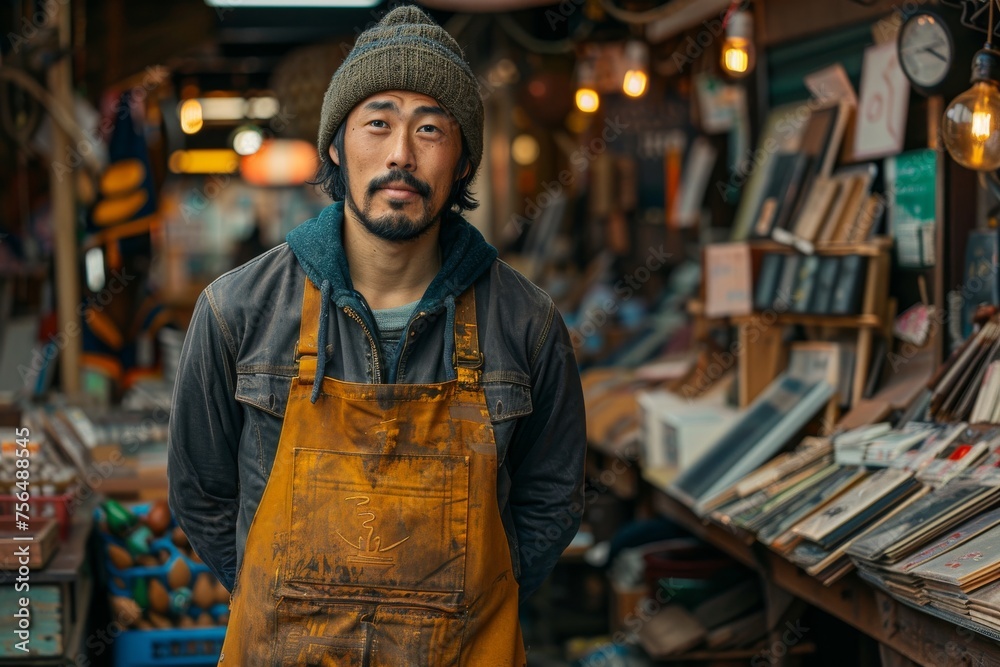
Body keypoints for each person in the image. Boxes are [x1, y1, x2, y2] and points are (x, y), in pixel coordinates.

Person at [167, 5, 586, 665]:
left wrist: (475, 601)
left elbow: (554, 496)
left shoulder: (525, 322)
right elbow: (200, 490)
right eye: (378, 123)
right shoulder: (237, 310)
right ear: (337, 145)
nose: (401, 154)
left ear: (463, 157)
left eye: (430, 128)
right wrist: (278, 598)